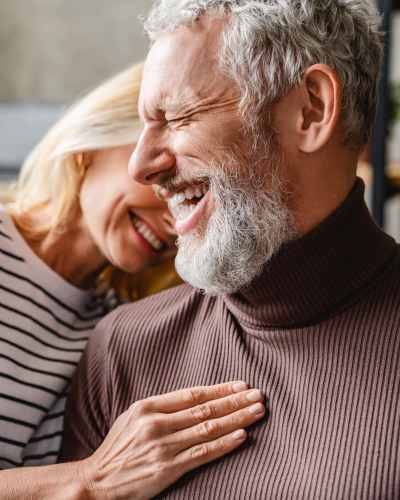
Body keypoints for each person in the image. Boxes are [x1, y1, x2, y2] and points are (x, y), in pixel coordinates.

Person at [61, 0, 400, 498]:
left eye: (177, 116)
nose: (142, 165)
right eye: (143, 126)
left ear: (312, 109)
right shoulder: (123, 350)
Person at [0, 63, 267, 498]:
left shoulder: (114, 327)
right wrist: (91, 480)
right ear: (95, 141)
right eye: (165, 179)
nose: (176, 216)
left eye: (198, 195)